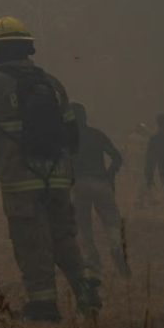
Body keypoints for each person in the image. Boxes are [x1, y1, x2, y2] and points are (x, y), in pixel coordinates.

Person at [0, 16, 99, 322]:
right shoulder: (53, 84)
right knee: (63, 236)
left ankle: (43, 307)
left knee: (31, 242)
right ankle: (85, 288)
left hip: (21, 178)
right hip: (58, 176)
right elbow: (72, 134)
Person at [67, 104, 128, 278]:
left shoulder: (67, 137)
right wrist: (110, 173)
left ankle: (93, 262)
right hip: (101, 183)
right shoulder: (97, 135)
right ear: (85, 117)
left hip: (78, 184)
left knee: (83, 226)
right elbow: (116, 157)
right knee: (112, 221)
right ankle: (116, 246)